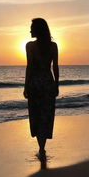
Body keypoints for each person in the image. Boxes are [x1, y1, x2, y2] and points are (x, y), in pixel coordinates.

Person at [23, 18, 59, 158]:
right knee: (46, 115)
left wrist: (26, 86)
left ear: (38, 29)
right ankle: (42, 148)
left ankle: (41, 148)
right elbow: (55, 67)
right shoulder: (53, 46)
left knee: (36, 115)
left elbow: (30, 67)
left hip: (35, 84)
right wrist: (56, 85)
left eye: (32, 27)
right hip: (48, 83)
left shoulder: (30, 46)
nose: (30, 30)